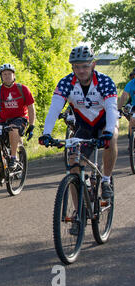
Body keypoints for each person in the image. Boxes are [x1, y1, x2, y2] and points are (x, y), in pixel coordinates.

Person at [39, 45, 119, 199]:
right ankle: (77, 216)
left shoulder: (105, 82)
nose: (81, 70)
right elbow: (54, 109)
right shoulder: (66, 83)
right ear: (72, 67)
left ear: (93, 64)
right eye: (77, 67)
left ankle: (106, 180)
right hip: (84, 126)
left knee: (113, 136)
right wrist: (46, 133)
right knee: (73, 166)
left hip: (104, 124)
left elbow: (111, 109)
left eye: (85, 66)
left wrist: (108, 132)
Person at [117, 67, 135, 134]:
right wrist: (119, 108)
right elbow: (124, 96)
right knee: (132, 120)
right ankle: (131, 140)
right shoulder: (131, 83)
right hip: (134, 105)